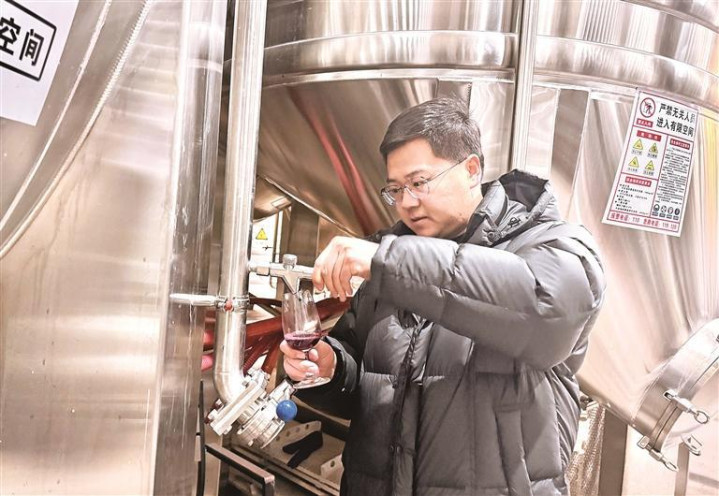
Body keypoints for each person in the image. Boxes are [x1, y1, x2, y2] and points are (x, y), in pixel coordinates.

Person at [279, 97, 606, 496]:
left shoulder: (553, 245)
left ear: (471, 169)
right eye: (395, 189)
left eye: (419, 183)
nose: (406, 202)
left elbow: (546, 314)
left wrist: (390, 262)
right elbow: (366, 381)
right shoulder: (391, 258)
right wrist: (330, 369)